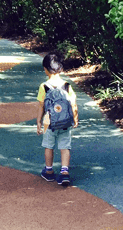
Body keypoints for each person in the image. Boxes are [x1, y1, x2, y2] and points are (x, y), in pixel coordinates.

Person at [36, 52, 79, 185]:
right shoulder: (67, 86)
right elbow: (73, 104)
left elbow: (42, 107)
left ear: (45, 69)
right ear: (61, 68)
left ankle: (49, 171)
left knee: (49, 146)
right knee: (65, 146)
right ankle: (64, 172)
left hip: (49, 123)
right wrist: (75, 119)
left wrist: (38, 122)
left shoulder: (44, 87)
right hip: (65, 122)